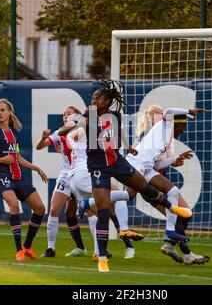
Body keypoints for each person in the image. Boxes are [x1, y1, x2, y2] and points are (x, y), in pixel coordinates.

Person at [59, 80, 192, 272]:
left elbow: (119, 131)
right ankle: (102, 258)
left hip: (118, 162)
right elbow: (72, 125)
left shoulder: (115, 116)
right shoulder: (89, 115)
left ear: (108, 100)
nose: (94, 99)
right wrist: (69, 126)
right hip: (98, 168)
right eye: (93, 97)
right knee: (104, 211)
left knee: (144, 188)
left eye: (98, 97)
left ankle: (173, 208)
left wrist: (128, 145)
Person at [126, 104, 210, 265]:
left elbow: (156, 164)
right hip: (140, 170)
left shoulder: (165, 137)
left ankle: (172, 243)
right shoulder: (156, 129)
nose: (184, 131)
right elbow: (168, 112)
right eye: (155, 113)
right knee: (128, 195)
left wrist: (174, 159)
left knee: (184, 212)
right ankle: (185, 252)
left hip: (150, 172)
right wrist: (188, 111)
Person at [0, 98, 48, 261]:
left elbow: (17, 158)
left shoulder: (13, 131)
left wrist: (36, 168)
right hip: (2, 175)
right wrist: (1, 160)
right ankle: (18, 250)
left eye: (2, 110)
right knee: (14, 205)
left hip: (18, 176)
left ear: (9, 112)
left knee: (40, 208)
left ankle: (27, 247)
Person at [63, 116, 143, 260]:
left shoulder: (86, 134)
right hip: (83, 174)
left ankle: (99, 252)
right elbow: (71, 137)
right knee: (119, 196)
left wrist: (127, 146)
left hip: (75, 178)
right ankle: (124, 235)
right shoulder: (83, 131)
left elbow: (70, 138)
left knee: (101, 212)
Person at [34, 106, 89, 258]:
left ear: (77, 116)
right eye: (64, 114)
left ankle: (101, 249)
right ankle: (51, 249)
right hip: (66, 175)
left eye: (69, 113)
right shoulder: (60, 133)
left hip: (82, 174)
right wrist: (43, 137)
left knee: (89, 211)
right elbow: (38, 146)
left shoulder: (85, 130)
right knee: (54, 209)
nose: (65, 116)